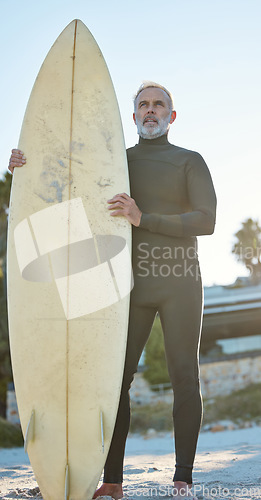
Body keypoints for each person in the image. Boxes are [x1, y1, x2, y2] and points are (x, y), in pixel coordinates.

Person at [9, 82, 216, 500]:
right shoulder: (116, 165)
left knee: (183, 376)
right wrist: (25, 169)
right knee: (114, 380)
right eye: (144, 105)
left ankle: (183, 479)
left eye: (159, 105)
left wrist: (143, 217)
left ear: (171, 116)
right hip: (129, 286)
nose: (151, 110)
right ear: (134, 116)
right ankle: (113, 480)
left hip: (180, 282)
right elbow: (67, 192)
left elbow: (206, 220)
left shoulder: (189, 161)